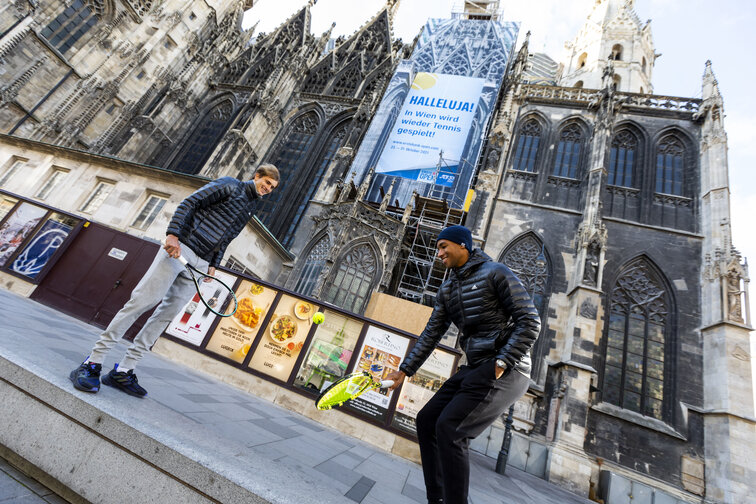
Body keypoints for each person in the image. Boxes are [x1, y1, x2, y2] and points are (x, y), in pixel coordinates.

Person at [69, 164, 279, 397]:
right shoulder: (229, 184)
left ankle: (124, 371)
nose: (268, 188)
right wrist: (172, 236)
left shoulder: (251, 206)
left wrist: (213, 264)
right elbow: (189, 202)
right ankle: (92, 362)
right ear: (257, 176)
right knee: (141, 303)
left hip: (199, 265)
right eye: (267, 182)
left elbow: (227, 237)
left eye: (272, 187)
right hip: (180, 249)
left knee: (165, 316)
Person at [385, 225, 540, 504]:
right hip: (476, 366)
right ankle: (439, 499)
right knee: (428, 420)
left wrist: (503, 361)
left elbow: (530, 321)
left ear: (463, 245)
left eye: (444, 246)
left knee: (451, 429)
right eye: (437, 248)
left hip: (508, 369)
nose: (439, 253)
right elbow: (431, 332)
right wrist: (405, 370)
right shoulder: (448, 288)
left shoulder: (496, 272)